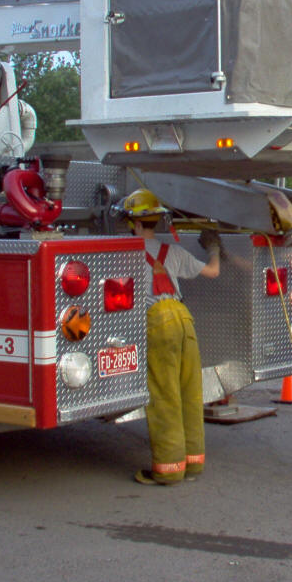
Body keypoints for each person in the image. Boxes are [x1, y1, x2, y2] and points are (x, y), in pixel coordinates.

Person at [120, 188, 221, 486]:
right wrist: (213, 248)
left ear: (136, 223)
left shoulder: (124, 255)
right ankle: (193, 463)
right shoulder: (172, 252)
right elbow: (213, 272)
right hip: (184, 320)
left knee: (165, 395)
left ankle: (169, 469)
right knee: (190, 391)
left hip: (158, 323)